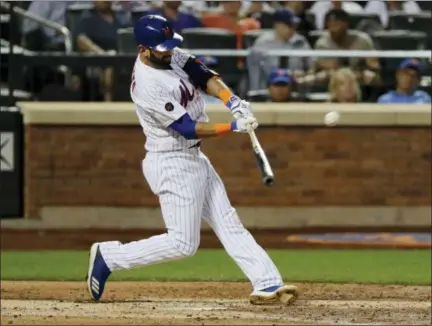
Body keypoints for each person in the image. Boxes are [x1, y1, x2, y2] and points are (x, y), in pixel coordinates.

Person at [86, 14, 299, 306]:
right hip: (171, 161)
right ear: (143, 50)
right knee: (183, 244)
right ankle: (109, 256)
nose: (169, 51)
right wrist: (232, 126)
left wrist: (232, 101)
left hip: (193, 158)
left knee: (229, 222)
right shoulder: (147, 84)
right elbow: (187, 128)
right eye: (162, 48)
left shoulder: (169, 55)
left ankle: (267, 282)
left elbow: (203, 75)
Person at [74, 1, 130, 101]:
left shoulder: (120, 19)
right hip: (97, 59)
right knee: (108, 65)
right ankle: (107, 105)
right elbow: (81, 40)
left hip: (120, 57)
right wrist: (102, 54)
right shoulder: (88, 18)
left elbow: (127, 36)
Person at [247, 8, 313, 91]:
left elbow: (312, 65)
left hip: (296, 87)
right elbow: (255, 71)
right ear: (277, 25)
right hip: (270, 88)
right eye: (289, 25)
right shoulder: (263, 42)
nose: (292, 29)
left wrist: (304, 75)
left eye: (294, 25)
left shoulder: (300, 41)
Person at [314, 8, 381, 86]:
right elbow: (328, 67)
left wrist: (368, 66)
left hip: (360, 77)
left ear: (346, 24)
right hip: (333, 79)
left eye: (336, 25)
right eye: (330, 25)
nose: (333, 29)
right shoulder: (323, 43)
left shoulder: (362, 40)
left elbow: (374, 65)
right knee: (321, 76)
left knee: (372, 76)